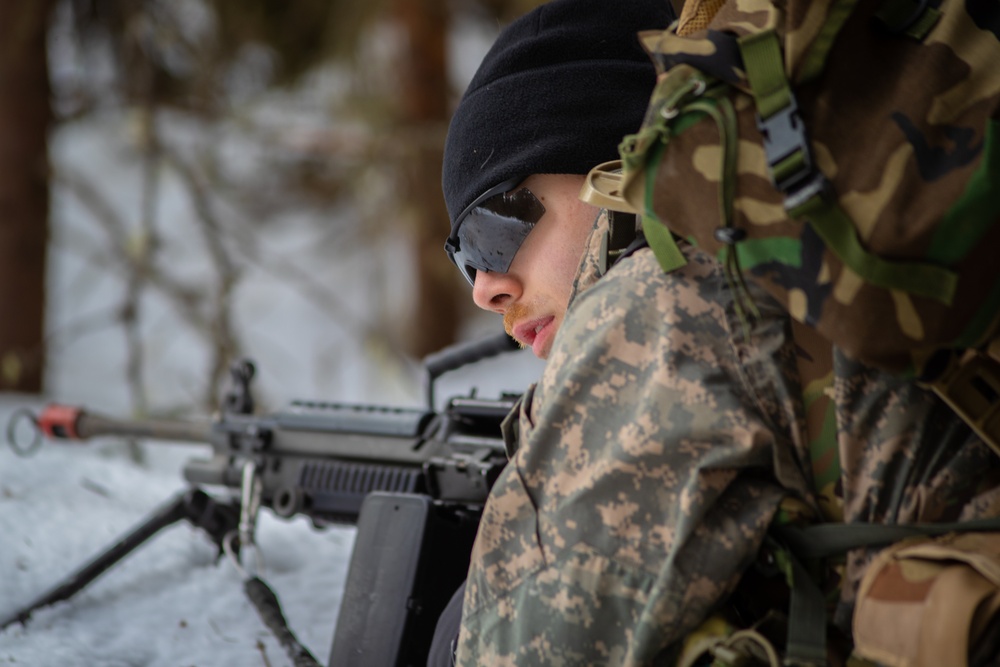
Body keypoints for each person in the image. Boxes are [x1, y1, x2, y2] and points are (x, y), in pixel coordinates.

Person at [438, 1, 1000, 665]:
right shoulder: (837, 262)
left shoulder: (659, 302)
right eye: (465, 255)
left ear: (611, 167)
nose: (485, 287)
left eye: (495, 227)